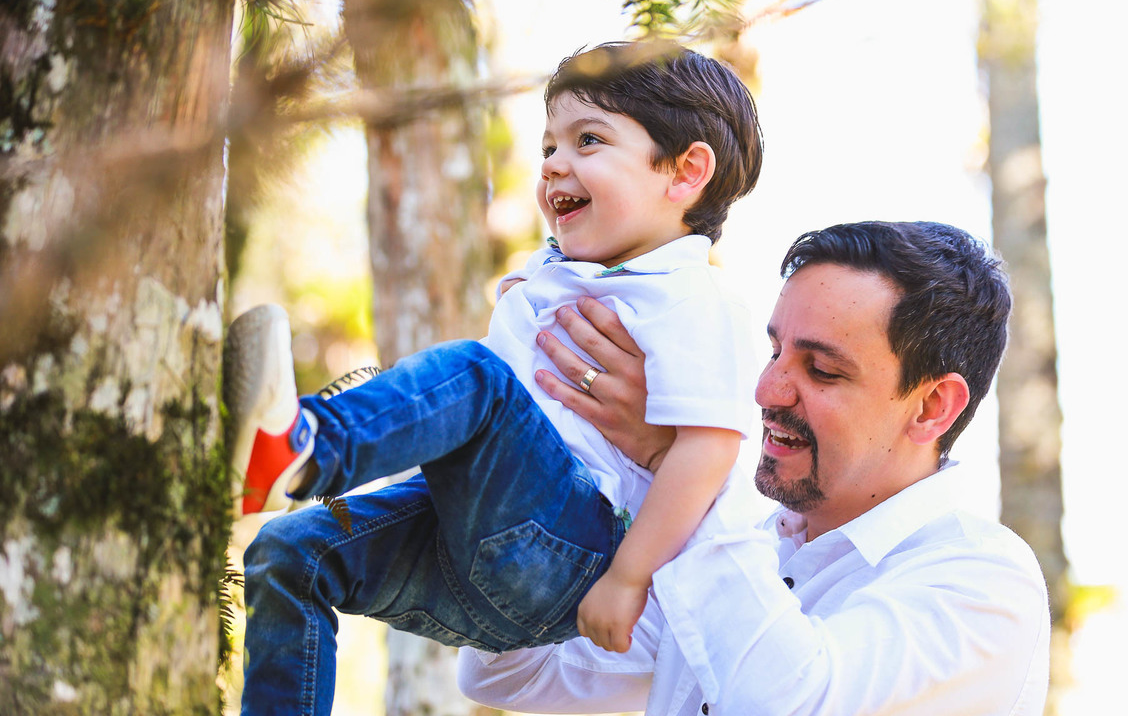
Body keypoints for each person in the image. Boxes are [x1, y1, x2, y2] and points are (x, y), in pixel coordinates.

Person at [228, 40, 765, 715]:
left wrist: (628, 578)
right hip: (476, 560)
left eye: (588, 140)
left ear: (685, 172)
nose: (554, 166)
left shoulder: (695, 297)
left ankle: (304, 449)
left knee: (476, 380)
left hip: (574, 554)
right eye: (547, 148)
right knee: (292, 553)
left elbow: (710, 448)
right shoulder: (559, 275)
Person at [458, 220, 1052, 715]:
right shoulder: (744, 545)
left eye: (821, 370)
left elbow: (788, 703)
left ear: (931, 407)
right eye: (774, 352)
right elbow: (517, 672)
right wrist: (544, 443)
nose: (767, 390)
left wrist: (676, 461)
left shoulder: (982, 581)